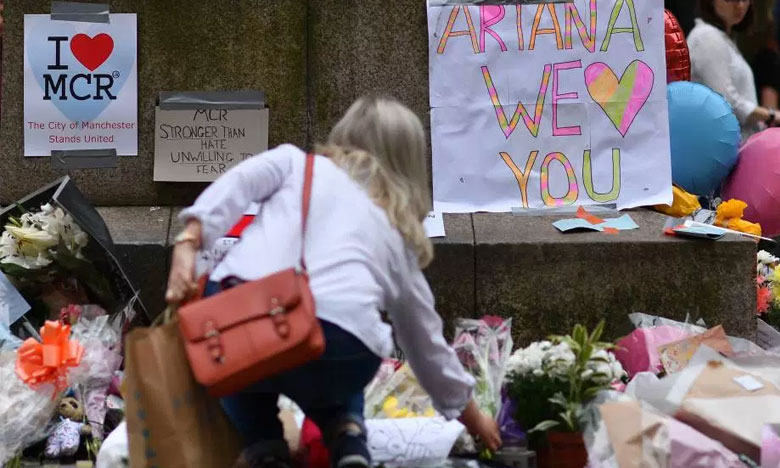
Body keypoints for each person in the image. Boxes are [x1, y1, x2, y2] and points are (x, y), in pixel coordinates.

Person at [165, 96, 502, 468]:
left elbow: (238, 183)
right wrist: (475, 419)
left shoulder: (294, 164)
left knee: (231, 341)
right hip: (344, 354)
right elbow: (425, 342)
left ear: (343, 133)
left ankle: (263, 446)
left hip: (250, 335)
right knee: (343, 332)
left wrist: (190, 240)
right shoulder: (394, 231)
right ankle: (348, 435)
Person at [688, 0, 780, 139]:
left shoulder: (723, 38)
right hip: (725, 148)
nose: (740, 5)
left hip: (738, 144)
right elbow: (725, 101)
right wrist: (771, 115)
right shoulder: (707, 36)